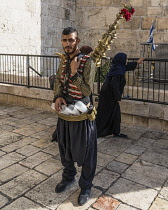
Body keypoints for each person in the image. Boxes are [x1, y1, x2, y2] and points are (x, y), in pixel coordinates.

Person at [53, 27, 97, 206]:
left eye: (71, 40)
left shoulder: (88, 61)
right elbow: (57, 81)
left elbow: (87, 90)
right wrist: (58, 96)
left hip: (82, 115)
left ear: (77, 41)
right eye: (64, 40)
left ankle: (86, 186)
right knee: (64, 148)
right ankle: (68, 176)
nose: (67, 44)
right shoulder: (63, 60)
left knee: (87, 153)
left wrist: (73, 73)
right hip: (65, 113)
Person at [96, 52, 144, 138]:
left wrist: (137, 62)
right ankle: (101, 131)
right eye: (126, 59)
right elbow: (114, 85)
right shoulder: (118, 72)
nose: (127, 60)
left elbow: (125, 66)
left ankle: (114, 131)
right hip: (109, 95)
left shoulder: (117, 67)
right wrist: (117, 97)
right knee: (108, 113)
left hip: (107, 93)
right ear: (121, 60)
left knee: (113, 113)